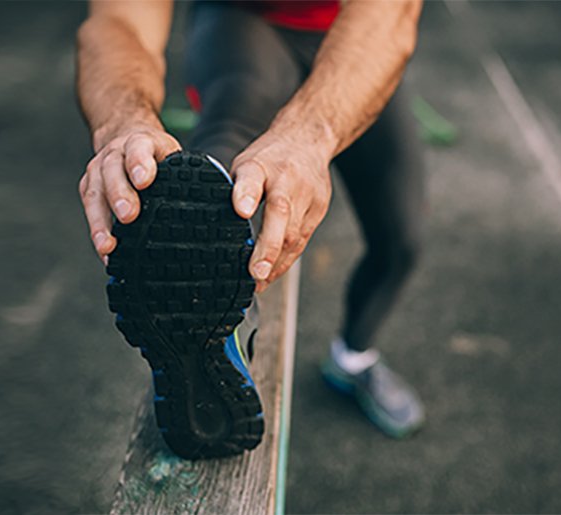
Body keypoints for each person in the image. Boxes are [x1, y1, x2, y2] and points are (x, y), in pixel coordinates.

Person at [76, 0, 425, 459]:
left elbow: (388, 16)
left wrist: (307, 136)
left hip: (355, 29)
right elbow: (119, 20)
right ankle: (214, 312)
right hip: (243, 22)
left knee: (401, 242)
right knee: (223, 168)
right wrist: (124, 124)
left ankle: (352, 360)